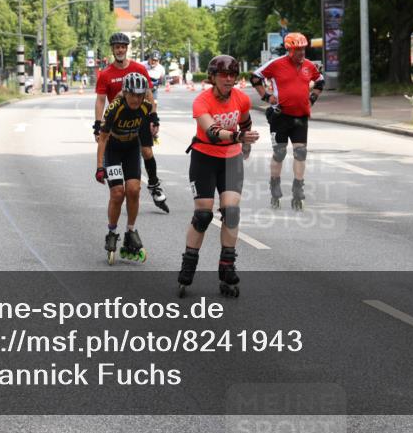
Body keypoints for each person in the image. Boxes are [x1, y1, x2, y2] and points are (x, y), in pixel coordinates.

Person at [177, 55, 259, 297]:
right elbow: (212, 132)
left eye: (233, 75)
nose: (229, 79)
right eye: (224, 75)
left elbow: (245, 121)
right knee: (203, 216)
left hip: (230, 159)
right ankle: (188, 265)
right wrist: (237, 137)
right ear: (212, 77)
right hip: (204, 157)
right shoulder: (201, 101)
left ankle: (227, 268)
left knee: (231, 212)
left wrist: (245, 144)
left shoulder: (241, 98)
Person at [94, 32, 169, 213]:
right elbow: (100, 100)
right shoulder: (105, 74)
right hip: (118, 120)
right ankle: (120, 186)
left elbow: (149, 94)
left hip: (139, 116)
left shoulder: (138, 68)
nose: (120, 50)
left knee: (147, 151)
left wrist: (153, 117)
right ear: (112, 49)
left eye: (123, 47)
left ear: (127, 49)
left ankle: (153, 183)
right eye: (117, 47)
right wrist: (98, 124)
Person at [250, 32, 324, 210]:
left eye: (303, 49)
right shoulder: (276, 64)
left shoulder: (308, 66)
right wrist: (267, 97)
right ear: (289, 50)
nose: (301, 53)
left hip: (300, 117)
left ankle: (298, 189)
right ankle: (275, 185)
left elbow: (320, 81)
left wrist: (312, 99)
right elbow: (255, 77)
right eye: (297, 50)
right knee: (280, 153)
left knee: (300, 153)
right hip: (280, 116)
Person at [95, 72, 154, 265]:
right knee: (118, 193)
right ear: (125, 93)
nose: (136, 99)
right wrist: (99, 167)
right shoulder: (115, 108)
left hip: (130, 149)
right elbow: (102, 138)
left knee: (134, 190)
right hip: (113, 149)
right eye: (133, 95)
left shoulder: (146, 106)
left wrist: (154, 127)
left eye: (140, 95)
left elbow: (149, 124)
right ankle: (112, 232)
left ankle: (130, 232)